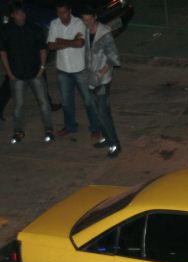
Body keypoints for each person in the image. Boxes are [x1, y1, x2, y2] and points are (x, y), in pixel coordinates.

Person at [0, 1, 53, 143]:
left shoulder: (34, 28)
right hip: (16, 75)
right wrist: (9, 73)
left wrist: (42, 68)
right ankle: (18, 132)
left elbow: (43, 49)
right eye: (18, 14)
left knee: (44, 103)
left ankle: (49, 129)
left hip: (35, 73)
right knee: (18, 105)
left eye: (23, 13)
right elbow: (3, 52)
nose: (22, 16)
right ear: (12, 15)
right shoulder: (6, 30)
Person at [48, 1, 100, 139]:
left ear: (69, 11)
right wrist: (71, 41)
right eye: (59, 12)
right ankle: (70, 126)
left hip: (80, 69)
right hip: (63, 69)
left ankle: (95, 127)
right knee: (66, 102)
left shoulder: (79, 23)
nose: (61, 15)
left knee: (88, 100)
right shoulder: (54, 24)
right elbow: (51, 46)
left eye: (64, 12)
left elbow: (80, 43)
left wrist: (60, 41)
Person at [81, 5, 121, 158]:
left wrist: (101, 72)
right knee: (99, 111)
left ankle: (114, 144)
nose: (87, 23)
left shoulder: (104, 33)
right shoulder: (85, 31)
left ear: (95, 17)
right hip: (90, 77)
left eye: (89, 19)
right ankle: (107, 137)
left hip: (102, 80)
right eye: (84, 20)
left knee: (102, 113)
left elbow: (113, 58)